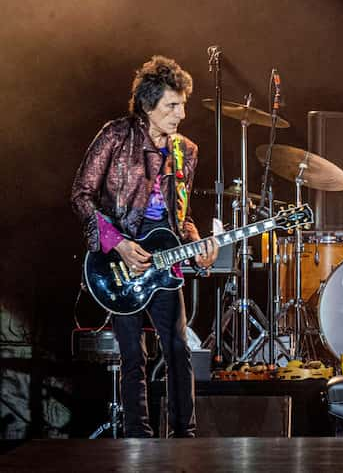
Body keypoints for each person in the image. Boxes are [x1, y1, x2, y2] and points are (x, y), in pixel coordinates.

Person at [71, 55, 218, 438]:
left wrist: (196, 241)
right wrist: (117, 244)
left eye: (182, 104)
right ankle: (138, 438)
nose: (181, 114)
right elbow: (81, 195)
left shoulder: (187, 150)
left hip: (165, 259)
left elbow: (180, 215)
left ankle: (184, 437)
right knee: (133, 355)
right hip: (122, 260)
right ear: (148, 104)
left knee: (178, 350)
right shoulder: (116, 136)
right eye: (172, 105)